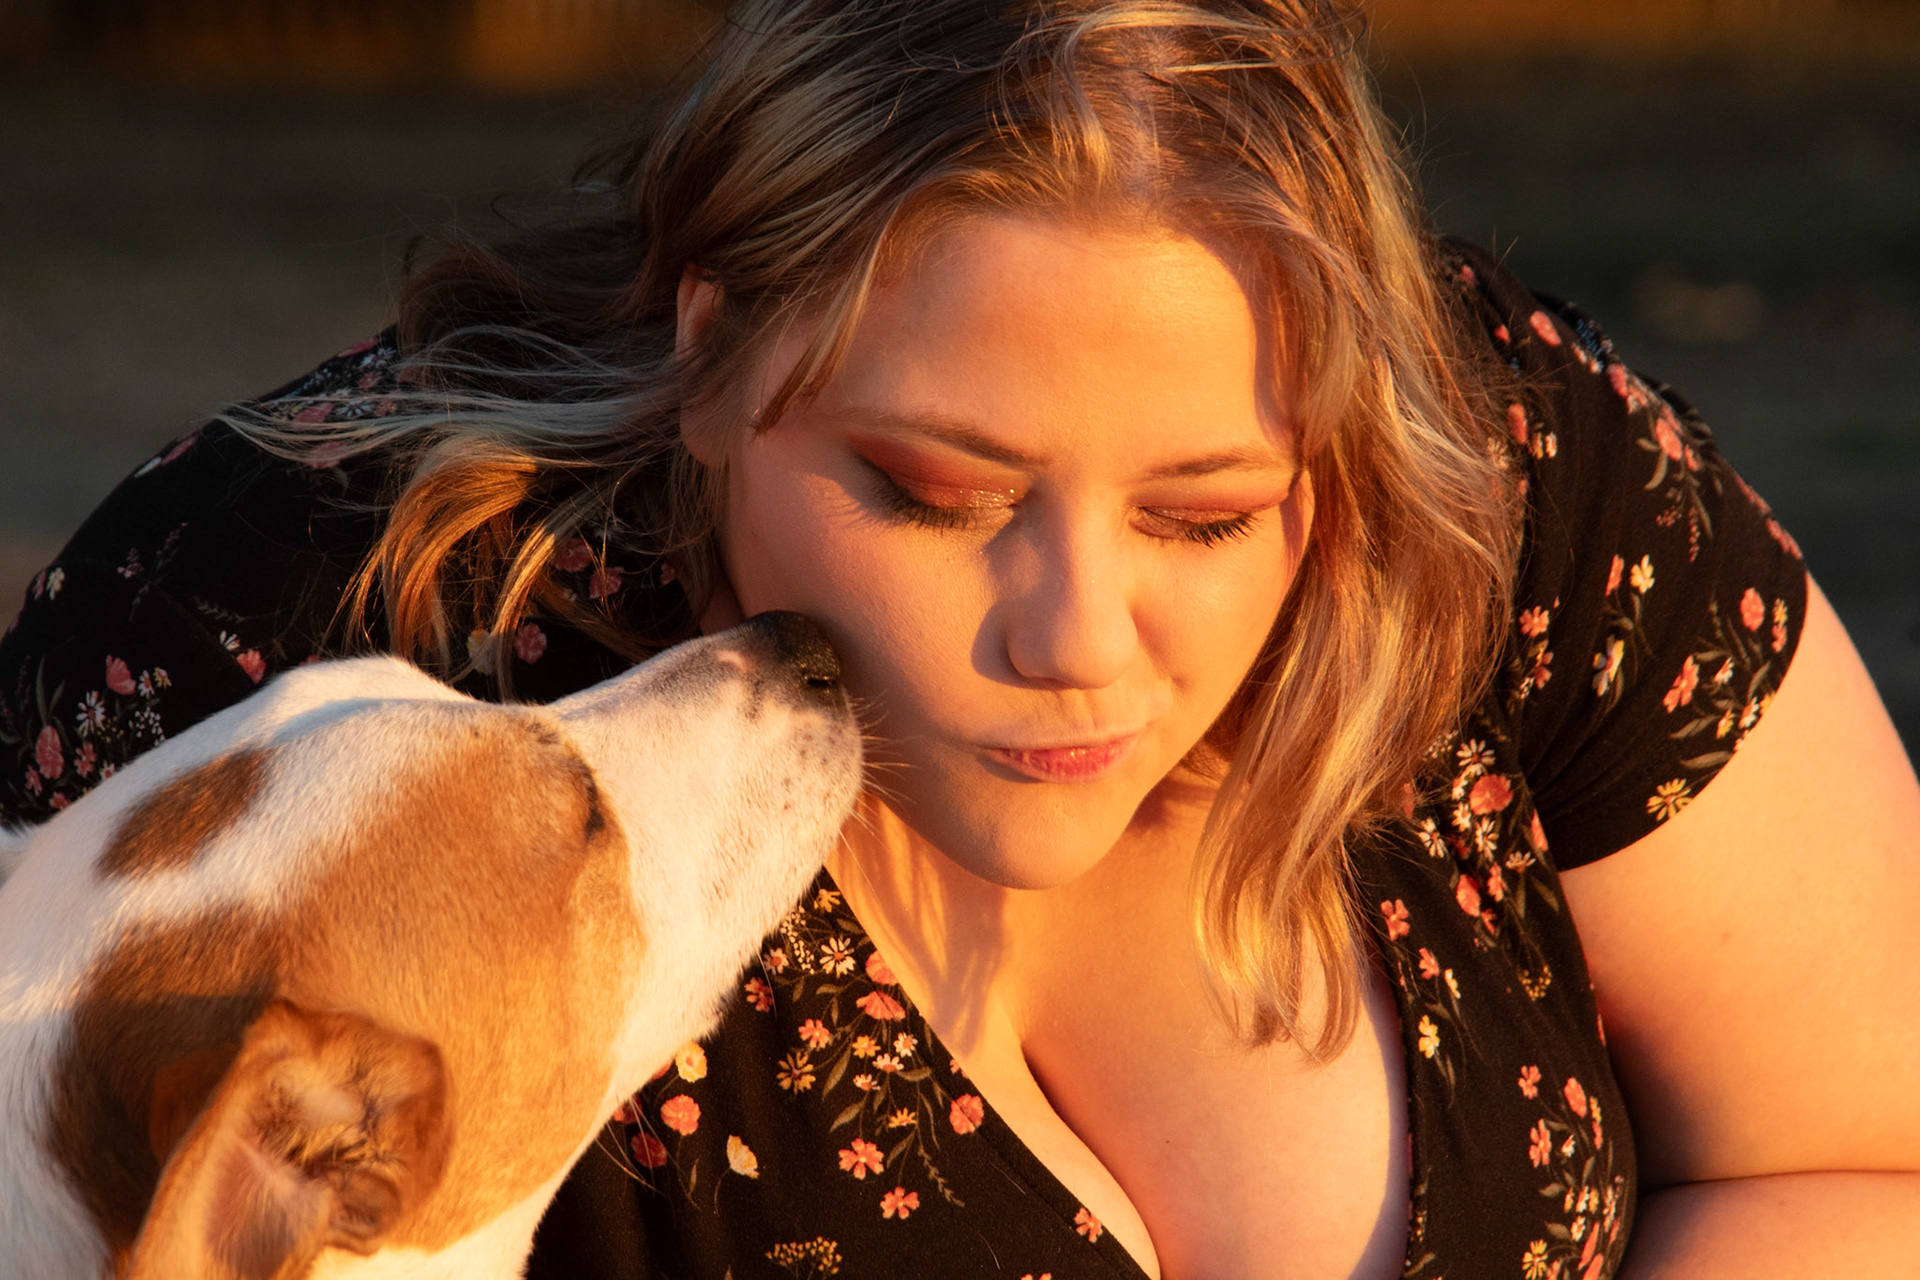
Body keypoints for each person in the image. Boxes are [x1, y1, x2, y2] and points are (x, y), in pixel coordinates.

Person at [4, 1, 1918, 1276]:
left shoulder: (1496, 465)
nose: (1076, 640)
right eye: (931, 491)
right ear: (710, 349)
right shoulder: (260, 644)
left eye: (1205, 513)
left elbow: (1859, 1153)